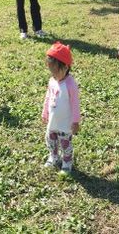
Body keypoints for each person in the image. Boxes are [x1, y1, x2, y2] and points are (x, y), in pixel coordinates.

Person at [42, 42, 81, 174]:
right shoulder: (52, 81)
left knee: (65, 144)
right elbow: (48, 97)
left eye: (55, 71)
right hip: (53, 120)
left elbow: (75, 104)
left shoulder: (70, 84)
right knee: (50, 139)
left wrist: (76, 122)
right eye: (51, 71)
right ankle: (53, 156)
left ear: (65, 67)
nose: (53, 74)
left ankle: (67, 161)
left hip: (65, 122)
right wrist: (45, 112)